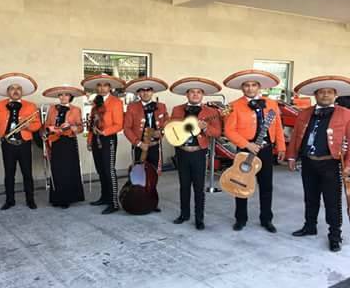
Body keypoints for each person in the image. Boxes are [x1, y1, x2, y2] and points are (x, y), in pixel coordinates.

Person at [287, 75, 350, 252]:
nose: (325, 95)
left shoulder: (346, 114)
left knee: (332, 201)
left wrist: (348, 164)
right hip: (308, 162)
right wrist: (292, 156)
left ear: (335, 95)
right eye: (321, 92)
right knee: (310, 197)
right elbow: (295, 136)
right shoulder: (305, 113)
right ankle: (310, 226)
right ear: (315, 95)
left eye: (329, 92)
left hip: (331, 164)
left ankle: (335, 235)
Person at [223, 69, 286, 232]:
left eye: (253, 85)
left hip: (266, 150)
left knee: (266, 186)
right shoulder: (233, 106)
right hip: (245, 149)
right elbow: (229, 130)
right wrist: (246, 144)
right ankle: (241, 219)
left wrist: (281, 146)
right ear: (242, 88)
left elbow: (278, 126)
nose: (250, 88)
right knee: (240, 183)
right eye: (246, 85)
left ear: (259, 87)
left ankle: (266, 219)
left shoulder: (272, 104)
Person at [169, 77, 222, 229]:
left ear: (202, 95)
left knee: (199, 187)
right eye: (192, 92)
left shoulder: (211, 112)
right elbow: (171, 126)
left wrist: (205, 128)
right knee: (183, 185)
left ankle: (199, 218)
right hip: (181, 151)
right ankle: (184, 214)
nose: (195, 95)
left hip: (198, 152)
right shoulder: (177, 109)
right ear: (187, 94)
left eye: (198, 92)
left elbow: (217, 132)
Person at [0, 73, 42, 210]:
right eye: (12, 88)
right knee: (9, 174)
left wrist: (28, 126)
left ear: (22, 92)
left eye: (18, 89)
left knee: (27, 174)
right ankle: (9, 200)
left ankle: (30, 200)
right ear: (8, 91)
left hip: (24, 144)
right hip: (7, 144)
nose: (15, 91)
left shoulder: (30, 106)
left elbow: (37, 125)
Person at [122, 77, 169, 214]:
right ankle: (138, 199)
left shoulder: (161, 106)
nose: (145, 93)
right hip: (139, 146)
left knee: (153, 174)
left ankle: (151, 200)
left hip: (155, 146)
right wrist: (138, 143)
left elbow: (168, 123)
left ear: (152, 91)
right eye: (142, 91)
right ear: (138, 93)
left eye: (148, 90)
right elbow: (127, 128)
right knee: (138, 175)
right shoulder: (132, 107)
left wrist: (161, 132)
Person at [81, 74, 125, 214]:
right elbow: (92, 123)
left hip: (108, 138)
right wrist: (89, 140)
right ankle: (105, 197)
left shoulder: (116, 102)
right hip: (96, 138)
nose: (101, 88)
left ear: (110, 87)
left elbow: (119, 124)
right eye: (99, 85)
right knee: (100, 170)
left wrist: (104, 132)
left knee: (109, 170)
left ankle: (114, 202)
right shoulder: (96, 101)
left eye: (105, 85)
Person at [42, 85, 86, 208]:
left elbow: (81, 128)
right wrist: (49, 129)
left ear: (70, 97)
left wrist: (71, 127)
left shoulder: (76, 110)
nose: (63, 97)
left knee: (69, 170)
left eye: (66, 95)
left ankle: (68, 198)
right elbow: (46, 126)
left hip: (69, 141)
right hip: (55, 141)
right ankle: (57, 198)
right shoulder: (52, 109)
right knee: (57, 170)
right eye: (61, 95)